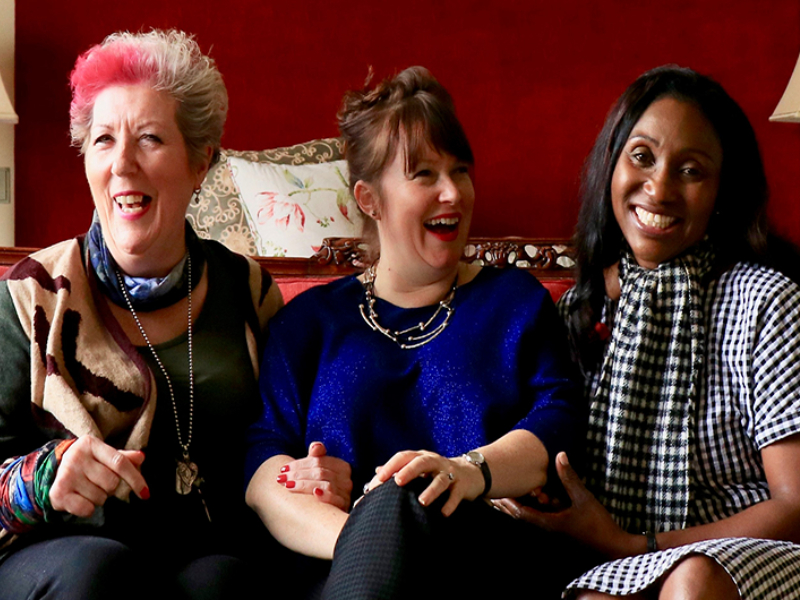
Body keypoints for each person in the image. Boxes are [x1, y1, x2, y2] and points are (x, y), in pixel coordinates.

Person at [245, 66, 587, 599]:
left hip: (485, 565)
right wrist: (377, 539)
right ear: (369, 199)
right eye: (424, 174)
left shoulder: (514, 302)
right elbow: (263, 471)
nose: (453, 192)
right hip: (336, 569)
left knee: (409, 492)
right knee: (393, 508)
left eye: (461, 170)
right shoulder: (308, 322)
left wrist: (467, 470)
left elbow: (560, 423)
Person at [495, 65, 800, 599]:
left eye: (691, 170)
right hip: (624, 554)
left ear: (722, 192)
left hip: (756, 553)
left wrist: (636, 544)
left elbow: (795, 505)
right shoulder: (580, 311)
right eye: (642, 157)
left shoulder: (765, 301)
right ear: (611, 166)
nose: (658, 188)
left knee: (692, 579)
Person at [0, 30, 283, 599]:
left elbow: (288, 436)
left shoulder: (247, 291)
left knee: (224, 582)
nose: (122, 164)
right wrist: (44, 478)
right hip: (67, 555)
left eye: (149, 138)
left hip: (208, 547)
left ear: (200, 162)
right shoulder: (32, 296)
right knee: (99, 572)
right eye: (103, 140)